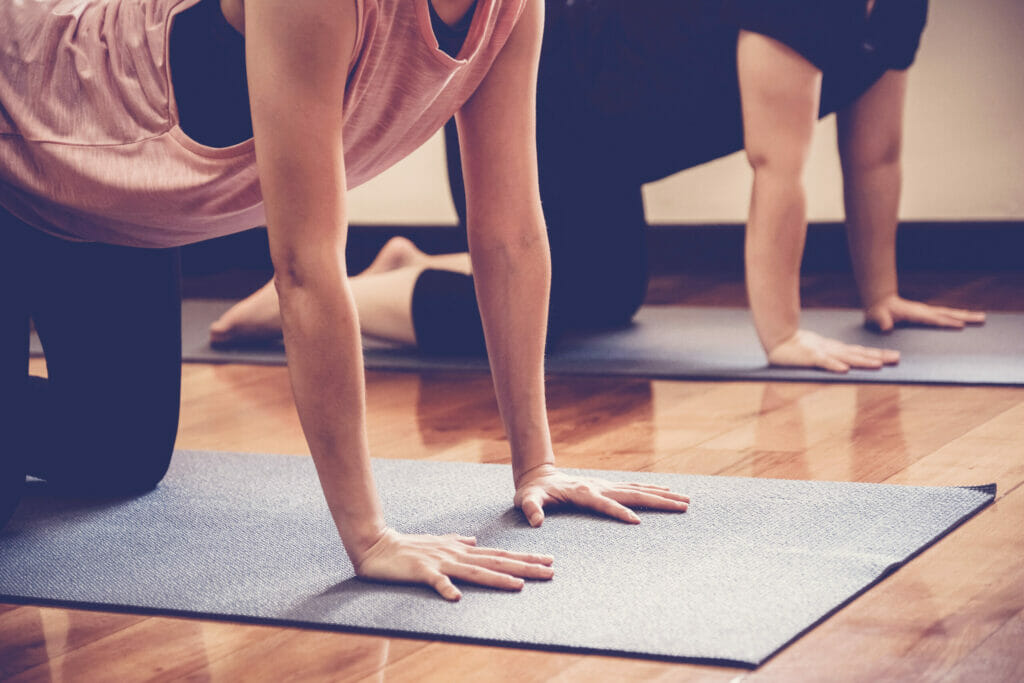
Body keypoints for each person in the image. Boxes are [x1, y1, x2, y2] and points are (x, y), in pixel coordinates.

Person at [0, 0, 690, 600]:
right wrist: (369, 535)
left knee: (121, 454)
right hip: (19, 134)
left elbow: (509, 233)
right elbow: (304, 266)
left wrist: (535, 462)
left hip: (118, 211)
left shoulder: (509, 8)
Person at [212, 0, 985, 372]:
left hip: (606, 145)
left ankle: (401, 266)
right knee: (562, 306)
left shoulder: (900, 10)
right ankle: (320, 297)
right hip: (541, 111)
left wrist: (878, 295)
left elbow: (875, 154)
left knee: (610, 297)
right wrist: (781, 335)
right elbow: (774, 163)